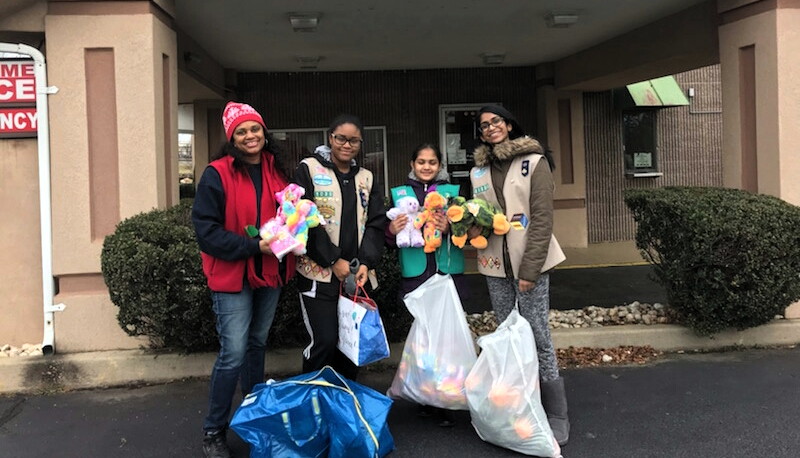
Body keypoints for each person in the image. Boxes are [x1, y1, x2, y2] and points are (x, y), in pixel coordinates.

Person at [192, 101, 295, 458]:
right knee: (233, 353)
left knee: (256, 346)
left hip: (270, 272)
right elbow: (206, 233)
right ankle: (213, 431)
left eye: (255, 129)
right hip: (233, 274)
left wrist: (297, 228)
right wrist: (254, 246)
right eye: (241, 131)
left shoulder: (279, 170)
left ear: (264, 132)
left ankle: (255, 419)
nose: (250, 136)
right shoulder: (216, 174)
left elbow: (291, 214)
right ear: (231, 138)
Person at [469, 105, 570, 446]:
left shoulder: (533, 162)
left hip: (530, 263)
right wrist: (467, 224)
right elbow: (481, 217)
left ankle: (556, 412)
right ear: (481, 134)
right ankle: (518, 405)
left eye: (496, 121)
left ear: (509, 125)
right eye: (484, 125)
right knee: (506, 336)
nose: (491, 128)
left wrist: (530, 269)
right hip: (495, 265)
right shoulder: (478, 172)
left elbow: (542, 218)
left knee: (537, 334)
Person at [293, 114, 386, 382]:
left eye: (354, 140)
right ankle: (313, 403)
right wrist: (333, 260)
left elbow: (376, 223)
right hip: (318, 274)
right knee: (324, 341)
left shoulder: (366, 177)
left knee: (350, 345)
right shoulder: (308, 169)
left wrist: (366, 262)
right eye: (341, 138)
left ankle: (344, 404)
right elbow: (303, 218)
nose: (347, 145)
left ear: (360, 143)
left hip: (356, 275)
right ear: (330, 138)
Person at [386, 143, 465, 427]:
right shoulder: (399, 195)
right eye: (421, 162)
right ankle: (423, 394)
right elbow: (386, 237)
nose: (427, 167)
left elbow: (465, 229)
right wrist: (390, 230)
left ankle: (444, 400)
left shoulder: (452, 194)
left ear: (439, 165)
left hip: (446, 272)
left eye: (432, 162)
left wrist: (452, 228)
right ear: (412, 163)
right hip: (415, 274)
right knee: (422, 339)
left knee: (446, 341)